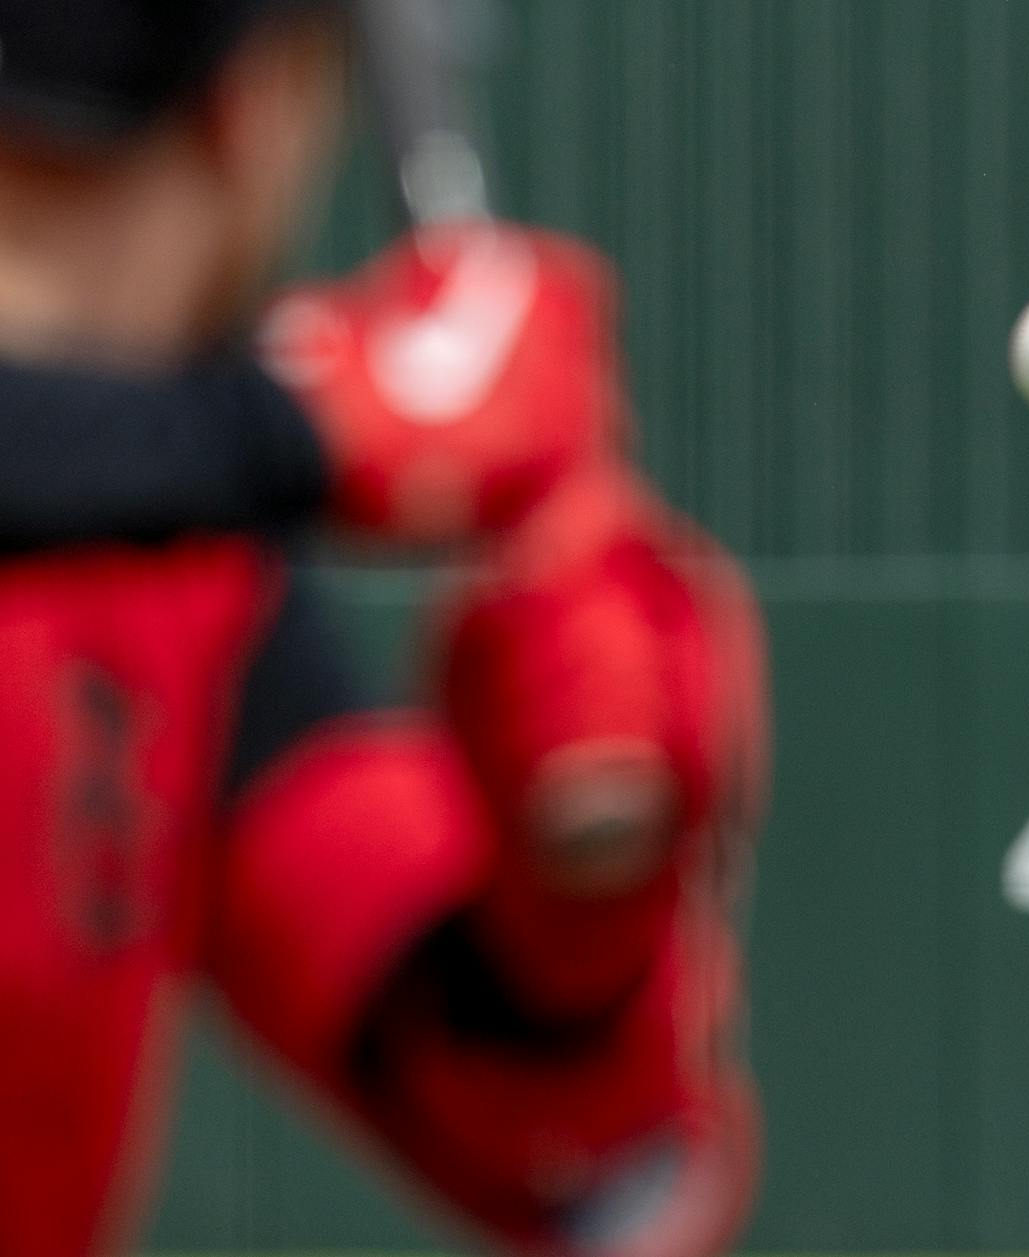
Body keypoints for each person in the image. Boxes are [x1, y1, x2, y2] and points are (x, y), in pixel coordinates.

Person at [0, 0, 765, 1252]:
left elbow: (587, 1171)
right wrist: (290, 426)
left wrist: (584, 898)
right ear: (261, 113)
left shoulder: (175, 573)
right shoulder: (196, 486)